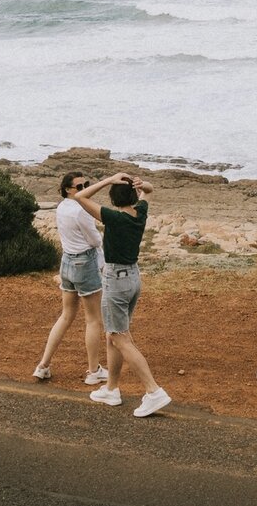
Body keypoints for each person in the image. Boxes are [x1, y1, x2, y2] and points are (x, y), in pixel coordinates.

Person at [72, 172, 171, 418]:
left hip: (116, 281)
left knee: (120, 337)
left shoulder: (113, 217)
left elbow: (80, 196)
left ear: (113, 198)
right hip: (133, 279)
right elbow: (149, 190)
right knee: (113, 335)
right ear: (133, 195)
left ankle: (153, 391)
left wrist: (107, 180)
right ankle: (111, 389)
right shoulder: (140, 214)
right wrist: (141, 185)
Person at [32, 172, 108, 385]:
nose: (83, 188)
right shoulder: (81, 211)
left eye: (86, 184)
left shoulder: (62, 206)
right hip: (84, 263)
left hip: (66, 262)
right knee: (93, 319)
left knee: (66, 316)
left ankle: (43, 365)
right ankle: (94, 371)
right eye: (79, 186)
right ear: (67, 188)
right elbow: (94, 240)